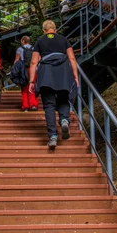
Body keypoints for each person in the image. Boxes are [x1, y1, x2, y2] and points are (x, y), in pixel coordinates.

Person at [29, 20, 79, 149]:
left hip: (46, 76)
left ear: (44, 31)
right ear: (55, 30)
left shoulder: (39, 41)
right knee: (63, 99)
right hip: (63, 73)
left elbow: (34, 62)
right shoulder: (64, 40)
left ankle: (52, 136)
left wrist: (31, 81)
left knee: (49, 105)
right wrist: (75, 76)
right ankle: (64, 120)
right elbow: (72, 58)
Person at [14, 36, 39, 111]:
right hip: (34, 69)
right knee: (32, 87)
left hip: (23, 70)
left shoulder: (20, 49)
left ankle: (25, 107)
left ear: (22, 41)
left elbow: (16, 60)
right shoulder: (34, 48)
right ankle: (33, 104)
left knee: (24, 89)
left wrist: (15, 70)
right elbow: (39, 58)